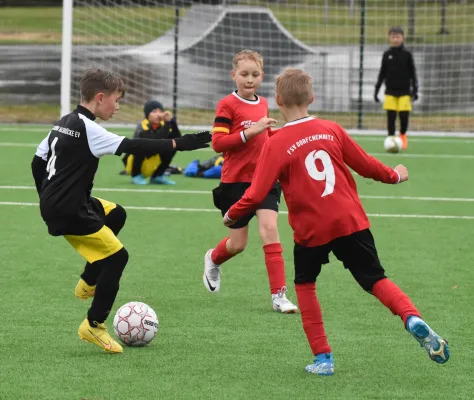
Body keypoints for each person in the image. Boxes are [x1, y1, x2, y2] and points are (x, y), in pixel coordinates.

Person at [224, 68, 449, 375]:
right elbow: (366, 165)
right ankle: (411, 317)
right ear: (312, 98)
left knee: (305, 285)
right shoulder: (331, 129)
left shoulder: (275, 142)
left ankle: (323, 358)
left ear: (277, 100)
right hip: (350, 220)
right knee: (375, 279)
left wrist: (233, 213)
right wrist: (395, 175)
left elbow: (257, 193)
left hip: (311, 230)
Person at [31, 68, 211, 354]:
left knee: (116, 214)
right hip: (68, 210)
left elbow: (38, 161)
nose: (117, 107)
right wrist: (181, 142)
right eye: (116, 100)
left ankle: (89, 281)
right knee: (118, 257)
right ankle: (93, 324)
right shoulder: (90, 129)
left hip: (64, 203)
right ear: (100, 98)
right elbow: (134, 146)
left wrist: (46, 197)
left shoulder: (64, 122)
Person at [202, 49, 298, 314]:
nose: (249, 79)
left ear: (262, 76)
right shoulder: (227, 105)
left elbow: (263, 139)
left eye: (255, 74)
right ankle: (213, 258)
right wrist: (251, 131)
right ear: (233, 75)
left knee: (269, 229)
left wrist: (273, 135)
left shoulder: (264, 103)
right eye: (244, 74)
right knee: (238, 244)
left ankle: (279, 296)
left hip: (265, 178)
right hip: (235, 182)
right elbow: (218, 143)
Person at [374, 26, 418, 150]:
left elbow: (413, 74)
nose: (395, 39)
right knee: (391, 117)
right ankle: (391, 138)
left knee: (404, 116)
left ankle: (403, 135)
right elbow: (382, 73)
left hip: (404, 92)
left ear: (403, 38)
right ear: (389, 38)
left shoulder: (407, 55)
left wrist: (415, 90)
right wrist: (377, 90)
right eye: (393, 37)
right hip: (390, 92)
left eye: (398, 37)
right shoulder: (387, 54)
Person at [125, 100, 182, 185]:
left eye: (160, 111)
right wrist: (166, 124)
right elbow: (154, 141)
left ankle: (157, 176)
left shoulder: (163, 124)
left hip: (152, 160)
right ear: (147, 114)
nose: (158, 114)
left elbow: (177, 137)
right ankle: (135, 175)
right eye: (154, 111)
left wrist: (172, 121)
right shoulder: (142, 125)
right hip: (133, 163)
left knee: (173, 146)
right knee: (141, 146)